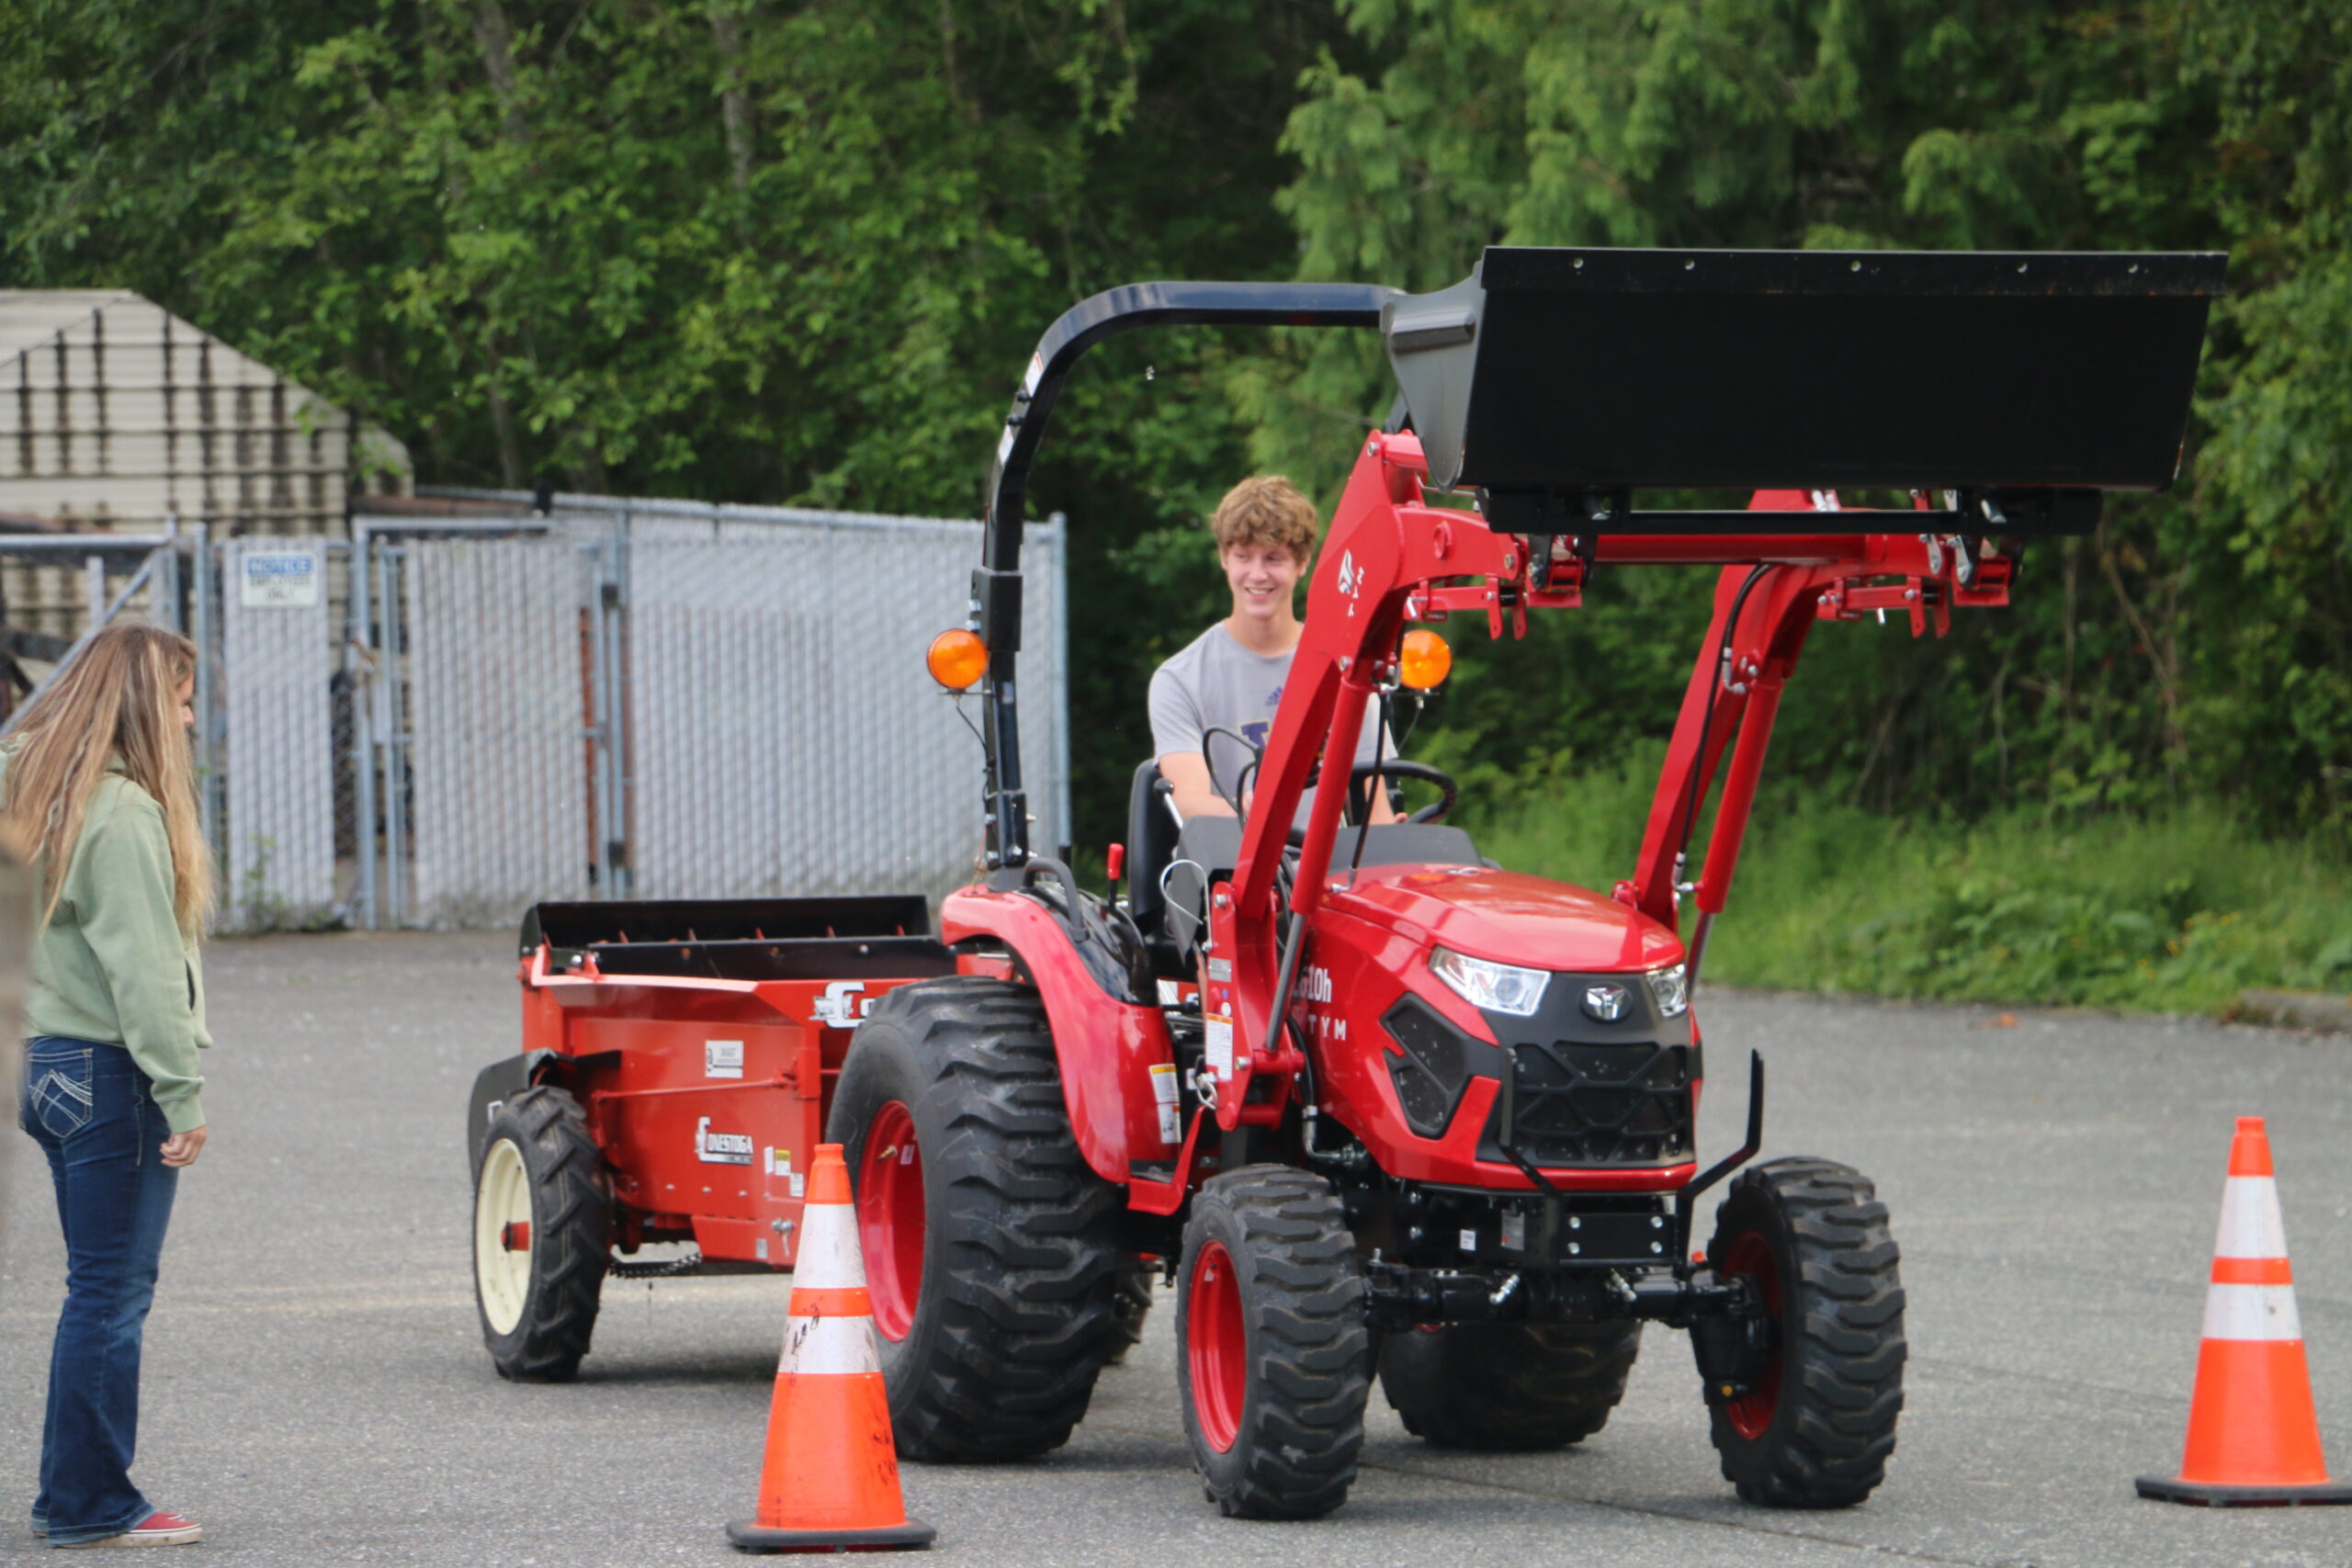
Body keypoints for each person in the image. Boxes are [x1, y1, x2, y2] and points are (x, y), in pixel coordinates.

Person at [4, 623, 211, 1549]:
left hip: (43, 1065)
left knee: (94, 1288)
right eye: (180, 697)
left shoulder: (30, 787)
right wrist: (184, 1092)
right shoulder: (121, 815)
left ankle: (69, 1493)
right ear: (141, 706)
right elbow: (147, 975)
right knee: (109, 1294)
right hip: (108, 1073)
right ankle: (88, 1503)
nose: (191, 715)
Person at [1148, 475, 1396, 829]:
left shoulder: (1343, 666)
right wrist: (1250, 808)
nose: (1257, 574)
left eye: (1273, 558)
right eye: (1243, 556)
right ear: (1224, 559)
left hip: (1326, 873)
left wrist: (1394, 845)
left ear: (1302, 562)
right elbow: (1189, 802)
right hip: (1229, 870)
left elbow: (1374, 809)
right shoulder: (1180, 678)